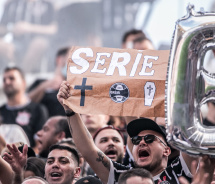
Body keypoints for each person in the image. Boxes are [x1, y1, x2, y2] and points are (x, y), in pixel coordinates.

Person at [57, 81, 196, 183]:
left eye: (149, 139)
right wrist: (70, 110)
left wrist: (183, 91)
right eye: (136, 140)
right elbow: (88, 150)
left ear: (166, 150)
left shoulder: (180, 171)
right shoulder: (121, 176)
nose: (141, 142)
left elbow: (188, 135)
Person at [0, 66, 48, 147]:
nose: (7, 82)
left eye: (11, 78)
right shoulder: (1, 111)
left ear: (23, 83)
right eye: (4, 80)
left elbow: (40, 144)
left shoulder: (38, 109)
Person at [28, 47, 70, 118]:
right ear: (59, 60)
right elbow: (24, 102)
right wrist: (43, 87)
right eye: (71, 60)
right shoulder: (40, 83)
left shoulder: (73, 87)